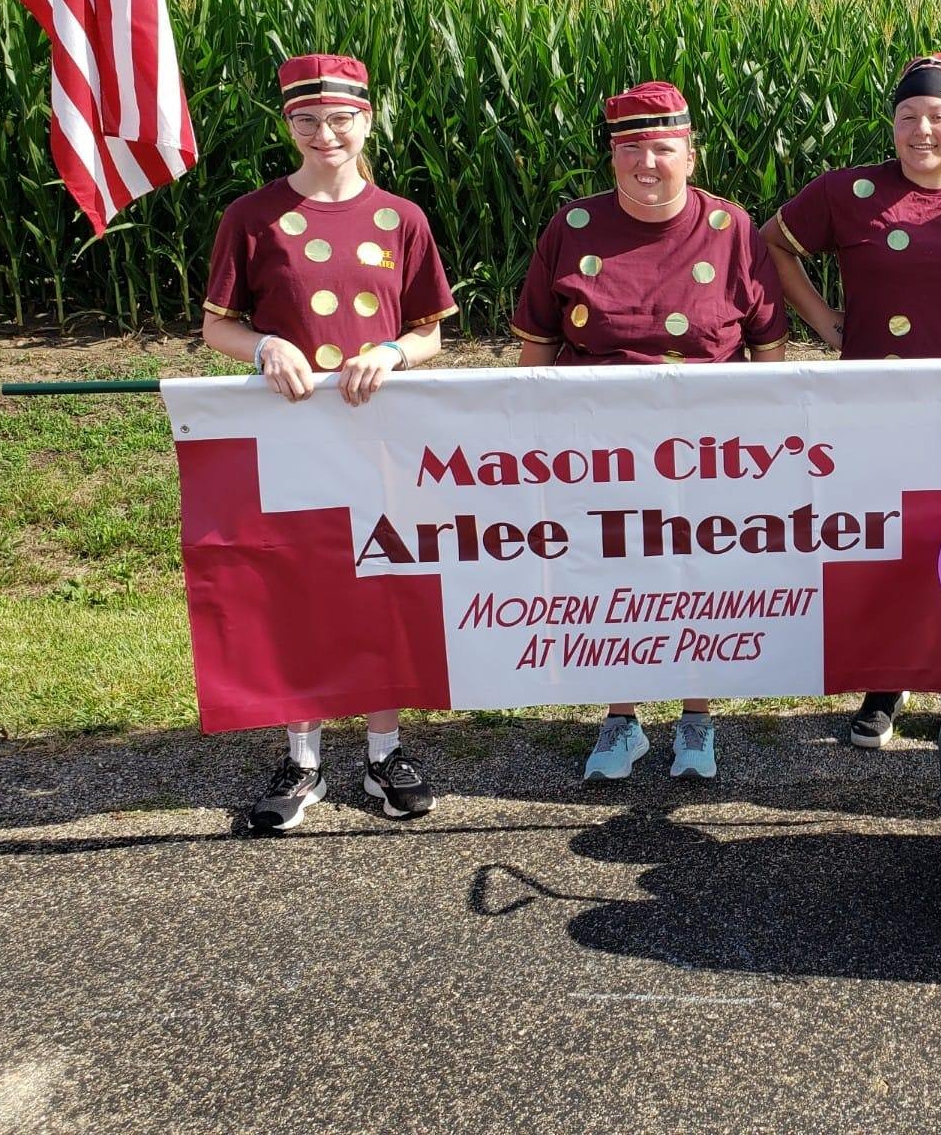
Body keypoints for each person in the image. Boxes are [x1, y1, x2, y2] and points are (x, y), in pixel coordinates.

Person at [765, 53, 941, 748]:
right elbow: (772, 244)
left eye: (938, 116)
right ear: (893, 124)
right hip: (876, 401)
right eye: (908, 117)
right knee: (887, 535)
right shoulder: (847, 192)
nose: (922, 130)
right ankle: (884, 684)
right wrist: (827, 323)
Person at [201, 53, 459, 831]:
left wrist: (389, 352)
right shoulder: (252, 216)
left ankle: (384, 755)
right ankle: (303, 759)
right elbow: (217, 324)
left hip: (380, 435)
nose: (325, 134)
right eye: (307, 120)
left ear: (366, 120)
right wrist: (260, 347)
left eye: (340, 119)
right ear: (288, 126)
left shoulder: (401, 218)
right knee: (299, 587)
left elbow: (431, 335)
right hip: (288, 437)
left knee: (379, 586)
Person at [511, 80, 789, 780]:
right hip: (591, 451)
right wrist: (527, 440)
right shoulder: (571, 229)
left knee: (699, 574)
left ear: (690, 155)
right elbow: (536, 347)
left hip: (709, 452)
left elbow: (769, 348)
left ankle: (697, 719)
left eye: (662, 147)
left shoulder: (731, 231)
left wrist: (761, 440)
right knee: (612, 576)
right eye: (629, 147)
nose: (646, 162)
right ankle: (621, 719)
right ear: (611, 159)